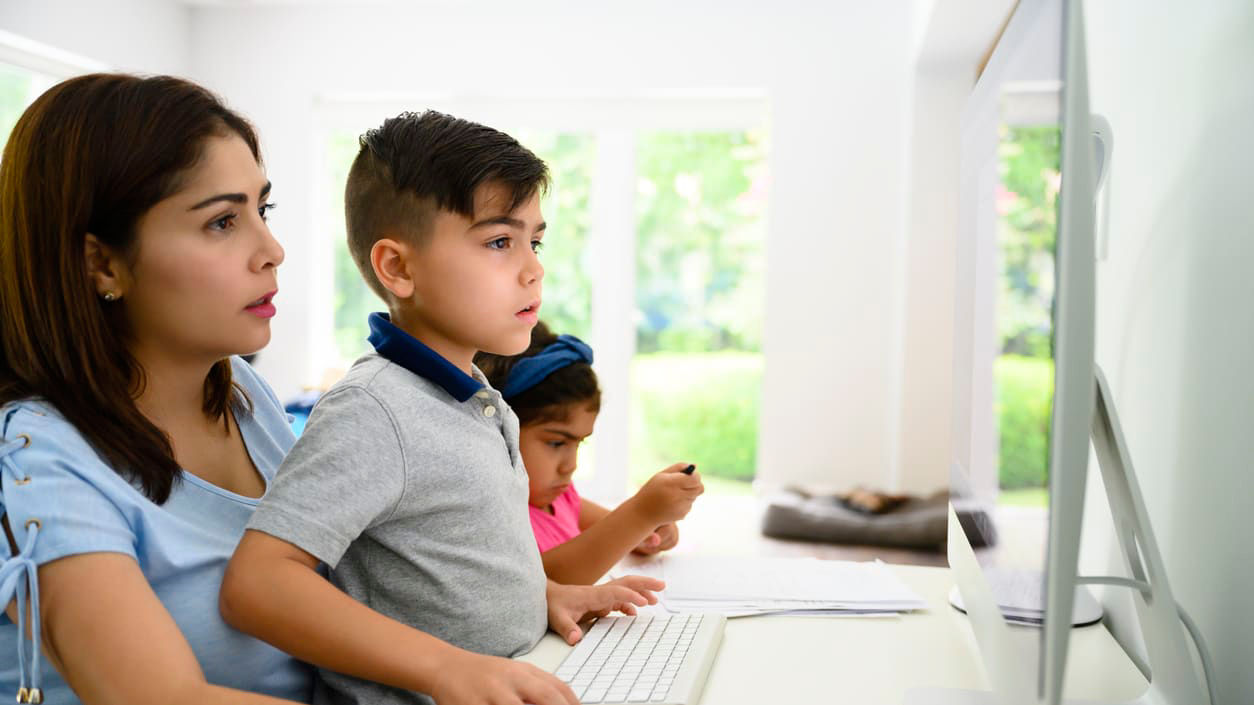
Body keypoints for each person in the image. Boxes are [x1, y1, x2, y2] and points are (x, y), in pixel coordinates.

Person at [220, 110, 661, 705]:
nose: (534, 268)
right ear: (398, 268)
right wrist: (445, 669)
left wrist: (543, 597)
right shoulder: (372, 411)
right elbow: (258, 585)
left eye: (534, 241)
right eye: (500, 242)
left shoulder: (479, 396)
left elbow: (452, 571)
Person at [0, 73, 312, 704]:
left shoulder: (243, 393)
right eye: (222, 222)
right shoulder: (30, 459)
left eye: (262, 210)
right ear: (102, 264)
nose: (272, 250)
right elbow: (161, 696)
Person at [476, 323, 704, 585]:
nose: (570, 466)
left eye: (579, 443)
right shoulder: (499, 516)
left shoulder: (562, 498)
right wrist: (643, 514)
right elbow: (541, 584)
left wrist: (650, 531)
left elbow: (614, 529)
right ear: (500, 431)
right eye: (556, 443)